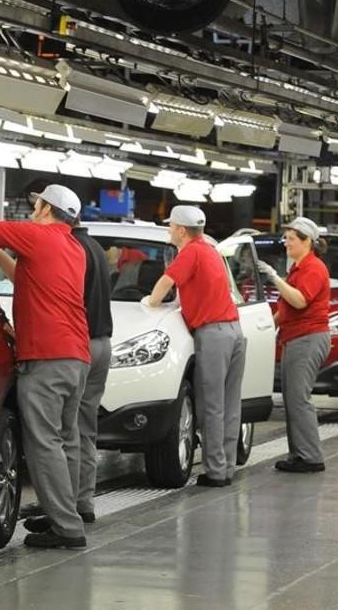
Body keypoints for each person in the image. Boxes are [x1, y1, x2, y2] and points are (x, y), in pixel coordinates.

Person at [0, 185, 91, 549]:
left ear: (46, 209)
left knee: (44, 443)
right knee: (64, 439)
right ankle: (64, 512)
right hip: (75, 355)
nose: (33, 207)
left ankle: (67, 527)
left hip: (46, 357)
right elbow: (29, 276)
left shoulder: (38, 235)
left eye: (37, 203)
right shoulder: (71, 246)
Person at [0, 217, 113, 526]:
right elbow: (36, 283)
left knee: (46, 439)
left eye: (37, 208)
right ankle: (77, 505)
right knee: (75, 433)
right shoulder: (87, 248)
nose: (33, 215)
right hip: (90, 349)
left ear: (52, 213)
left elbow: (46, 294)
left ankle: (64, 520)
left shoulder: (49, 241)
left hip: (59, 351)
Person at [148, 205, 246, 487]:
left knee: (212, 405)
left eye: (170, 226)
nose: (168, 230)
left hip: (213, 333)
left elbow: (166, 283)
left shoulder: (190, 251)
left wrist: (149, 303)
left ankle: (215, 473)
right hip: (234, 330)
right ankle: (226, 467)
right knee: (230, 404)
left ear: (181, 229)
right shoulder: (211, 250)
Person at [255, 217, 330, 474]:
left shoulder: (314, 268)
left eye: (291, 239)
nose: (285, 243)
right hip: (295, 337)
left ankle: (311, 457)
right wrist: (267, 327)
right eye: (285, 238)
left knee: (299, 398)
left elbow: (299, 301)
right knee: (291, 398)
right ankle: (299, 453)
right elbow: (287, 309)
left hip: (308, 338)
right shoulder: (298, 268)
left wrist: (274, 277)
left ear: (307, 241)